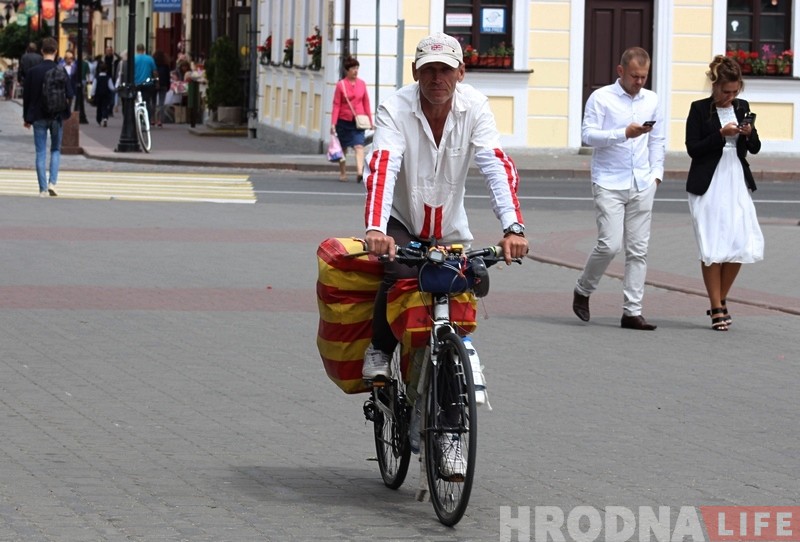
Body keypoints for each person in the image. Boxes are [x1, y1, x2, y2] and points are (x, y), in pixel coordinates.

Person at [362, 32, 528, 475]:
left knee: (468, 287)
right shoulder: (395, 107)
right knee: (396, 270)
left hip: (448, 226)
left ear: (460, 72)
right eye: (429, 70)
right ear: (416, 73)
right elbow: (383, 166)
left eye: (446, 69)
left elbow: (495, 163)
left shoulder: (474, 106)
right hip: (400, 219)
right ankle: (380, 349)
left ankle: (451, 434)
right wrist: (377, 229)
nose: (438, 78)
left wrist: (513, 227)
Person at [572, 47, 664, 331]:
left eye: (644, 76)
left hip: (642, 181)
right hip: (609, 180)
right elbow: (587, 135)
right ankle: (583, 289)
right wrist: (623, 133)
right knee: (609, 244)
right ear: (620, 71)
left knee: (638, 249)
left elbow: (657, 140)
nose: (639, 82)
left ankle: (632, 311)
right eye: (635, 76)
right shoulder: (601, 98)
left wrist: (656, 175)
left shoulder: (652, 99)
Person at [685, 55, 763, 331]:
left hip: (736, 179)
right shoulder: (699, 109)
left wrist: (748, 133)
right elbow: (693, 149)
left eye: (735, 91)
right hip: (708, 181)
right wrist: (720, 134)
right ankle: (716, 305)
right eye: (726, 91)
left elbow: (754, 148)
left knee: (740, 242)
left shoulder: (742, 107)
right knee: (712, 246)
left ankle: (721, 298)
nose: (731, 97)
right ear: (715, 86)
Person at [22, 37, 74, 197]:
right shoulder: (61, 70)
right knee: (56, 150)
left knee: (40, 152)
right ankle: (53, 182)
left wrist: (27, 118)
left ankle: (43, 189)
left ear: (42, 51)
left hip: (38, 116)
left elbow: (27, 97)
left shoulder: (32, 72)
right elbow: (70, 94)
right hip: (56, 116)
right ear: (56, 51)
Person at [330, 56, 373, 182]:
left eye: (357, 68)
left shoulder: (362, 84)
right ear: (347, 70)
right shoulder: (341, 85)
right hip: (343, 120)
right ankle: (343, 172)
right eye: (353, 68)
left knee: (359, 146)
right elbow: (336, 104)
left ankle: (360, 172)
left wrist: (370, 121)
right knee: (343, 147)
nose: (356, 71)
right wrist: (333, 123)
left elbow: (366, 102)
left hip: (358, 121)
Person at [133, 44, 157, 120]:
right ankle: (147, 119)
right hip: (148, 83)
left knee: (137, 101)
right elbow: (155, 72)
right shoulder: (150, 59)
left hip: (136, 83)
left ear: (136, 50)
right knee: (147, 102)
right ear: (144, 50)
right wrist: (156, 80)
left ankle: (138, 117)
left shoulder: (134, 59)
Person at [90, 59, 115, 127]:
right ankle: (105, 118)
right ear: (106, 70)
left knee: (99, 107)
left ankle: (99, 119)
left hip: (98, 95)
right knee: (105, 106)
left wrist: (92, 94)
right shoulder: (108, 78)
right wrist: (114, 90)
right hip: (106, 95)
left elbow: (94, 87)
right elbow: (111, 87)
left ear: (99, 70)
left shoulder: (97, 78)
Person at [152, 50, 172, 127]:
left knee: (153, 102)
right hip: (163, 85)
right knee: (161, 103)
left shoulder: (153, 65)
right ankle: (160, 120)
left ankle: (152, 119)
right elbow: (168, 77)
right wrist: (168, 86)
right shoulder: (166, 66)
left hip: (154, 85)